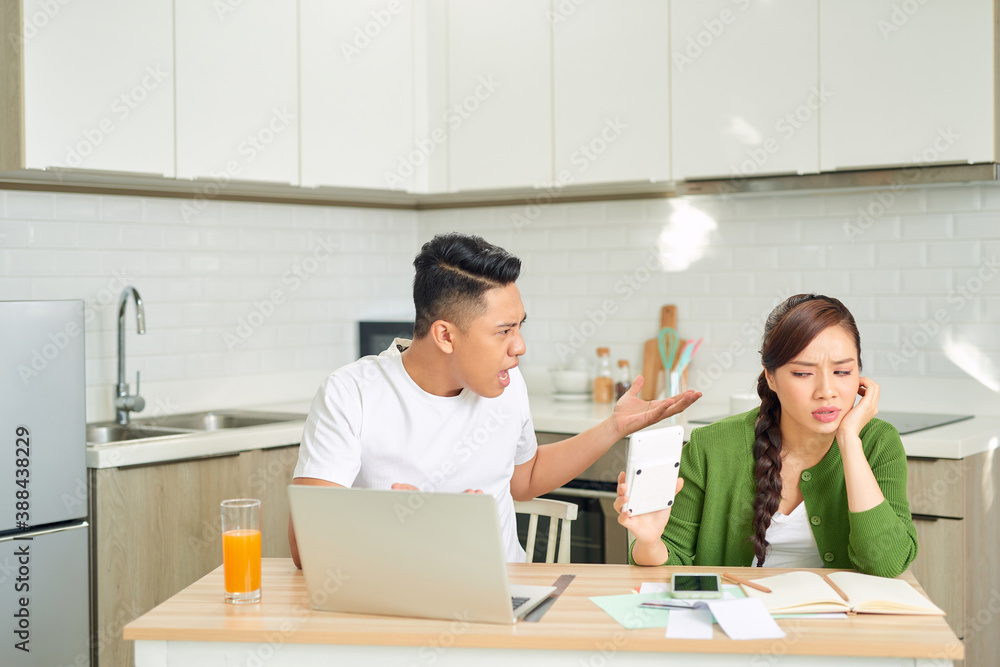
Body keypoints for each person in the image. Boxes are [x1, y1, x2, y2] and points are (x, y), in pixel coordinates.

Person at [289, 233, 701, 567]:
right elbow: (307, 546)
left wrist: (614, 427)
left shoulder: (507, 383)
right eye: (504, 331)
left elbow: (525, 478)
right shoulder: (351, 394)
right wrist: (411, 523)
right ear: (445, 335)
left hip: (507, 593)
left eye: (520, 326)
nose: (519, 346)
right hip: (392, 596)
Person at [618, 294, 917, 578]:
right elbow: (670, 564)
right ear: (771, 377)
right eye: (803, 373)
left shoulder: (878, 443)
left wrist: (850, 440)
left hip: (837, 615)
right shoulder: (711, 446)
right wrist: (649, 543)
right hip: (736, 611)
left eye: (842, 372)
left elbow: (885, 564)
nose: (826, 391)